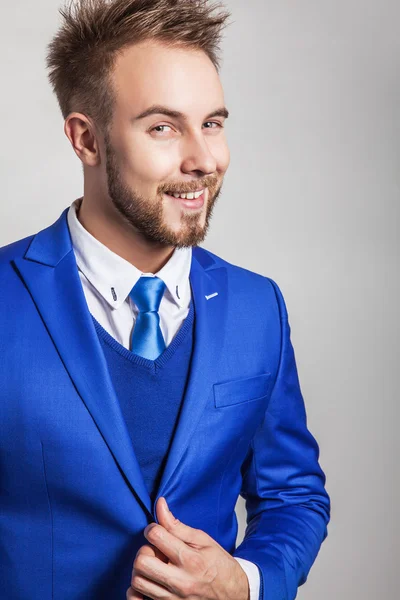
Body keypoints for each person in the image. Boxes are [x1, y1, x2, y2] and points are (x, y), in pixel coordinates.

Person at [0, 0, 331, 598]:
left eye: (212, 122)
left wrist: (244, 583)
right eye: (163, 126)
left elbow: (294, 496)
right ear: (86, 139)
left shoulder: (259, 307)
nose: (205, 160)